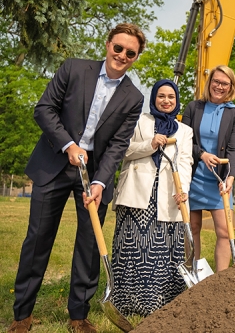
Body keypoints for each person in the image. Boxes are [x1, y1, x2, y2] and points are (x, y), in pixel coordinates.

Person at [10, 23, 145, 333]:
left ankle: (79, 315)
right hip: (55, 163)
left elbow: (117, 146)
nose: (122, 55)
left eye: (130, 53)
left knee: (89, 243)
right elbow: (44, 109)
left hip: (94, 175)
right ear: (108, 43)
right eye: (118, 47)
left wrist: (99, 182)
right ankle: (22, 314)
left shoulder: (133, 97)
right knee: (38, 239)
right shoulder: (74, 69)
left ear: (136, 57)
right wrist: (69, 145)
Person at [110, 79, 193, 316]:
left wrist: (183, 189)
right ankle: (127, 302)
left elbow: (186, 161)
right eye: (161, 96)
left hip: (168, 195)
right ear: (154, 98)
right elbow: (123, 150)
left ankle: (163, 302)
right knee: (133, 247)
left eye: (171, 97)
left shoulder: (185, 131)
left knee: (165, 248)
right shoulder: (139, 121)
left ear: (177, 101)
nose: (166, 101)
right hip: (138, 194)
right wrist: (150, 144)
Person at [181, 65, 235, 271]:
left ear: (231, 87)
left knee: (225, 231)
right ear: (210, 83)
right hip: (194, 176)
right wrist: (202, 154)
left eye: (224, 83)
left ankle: (220, 281)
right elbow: (184, 141)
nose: (219, 86)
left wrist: (231, 177)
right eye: (216, 81)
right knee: (193, 228)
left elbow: (234, 149)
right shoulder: (194, 107)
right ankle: (193, 274)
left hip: (219, 178)